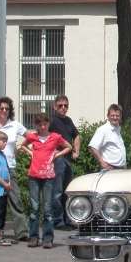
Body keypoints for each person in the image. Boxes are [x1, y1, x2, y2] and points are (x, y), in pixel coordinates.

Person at [19, 114, 72, 248]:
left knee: (48, 209)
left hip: (48, 176)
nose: (42, 127)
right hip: (34, 175)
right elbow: (22, 145)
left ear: (48, 124)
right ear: (36, 125)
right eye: (40, 124)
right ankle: (34, 236)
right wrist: (31, 153)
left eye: (45, 124)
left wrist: (57, 154)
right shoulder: (33, 136)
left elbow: (68, 147)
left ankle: (48, 237)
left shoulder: (55, 137)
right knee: (34, 208)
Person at [0, 97, 28, 241]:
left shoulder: (15, 125)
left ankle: (22, 231)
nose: (4, 111)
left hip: (9, 167)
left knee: (15, 199)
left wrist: (24, 148)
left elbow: (30, 137)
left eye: (7, 108)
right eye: (1, 108)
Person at [49, 94, 81, 228]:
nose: (63, 108)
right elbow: (44, 136)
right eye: (60, 106)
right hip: (58, 159)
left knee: (67, 191)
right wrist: (52, 152)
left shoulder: (68, 120)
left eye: (65, 106)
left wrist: (76, 151)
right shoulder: (52, 121)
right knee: (57, 191)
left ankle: (68, 219)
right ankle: (58, 221)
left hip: (68, 159)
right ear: (54, 107)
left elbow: (77, 135)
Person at [88, 104, 127, 170]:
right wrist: (102, 163)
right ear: (108, 116)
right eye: (112, 115)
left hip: (120, 168)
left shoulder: (117, 129)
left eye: (117, 115)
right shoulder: (103, 129)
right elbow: (92, 147)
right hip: (110, 169)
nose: (115, 118)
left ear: (120, 117)